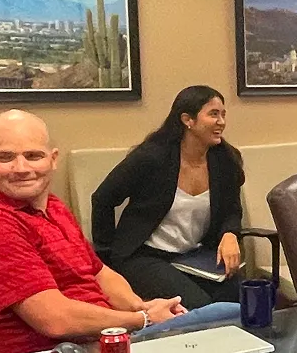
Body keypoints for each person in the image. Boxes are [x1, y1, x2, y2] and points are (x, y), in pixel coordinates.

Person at [0, 110, 183, 353]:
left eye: (33, 155)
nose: (21, 168)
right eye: (5, 158)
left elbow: (98, 272)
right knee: (222, 320)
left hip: (107, 345)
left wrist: (142, 306)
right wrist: (142, 319)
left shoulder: (53, 206)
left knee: (221, 320)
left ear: (53, 159)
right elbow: (54, 320)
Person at [90, 85, 244, 309]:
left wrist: (230, 233)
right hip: (144, 257)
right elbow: (102, 199)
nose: (221, 121)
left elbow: (232, 208)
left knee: (241, 298)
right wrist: (105, 260)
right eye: (213, 114)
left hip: (195, 256)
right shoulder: (152, 157)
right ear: (187, 120)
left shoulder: (225, 160)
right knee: (200, 307)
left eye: (223, 114)